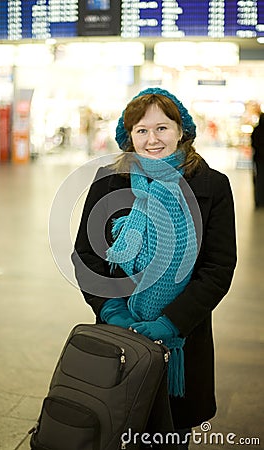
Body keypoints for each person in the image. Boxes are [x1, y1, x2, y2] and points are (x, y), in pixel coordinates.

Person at [72, 87, 237, 449]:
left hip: (182, 338)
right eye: (141, 130)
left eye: (162, 128)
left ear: (182, 131)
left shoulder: (211, 186)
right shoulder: (108, 181)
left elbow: (218, 267)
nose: (152, 139)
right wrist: (110, 309)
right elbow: (86, 255)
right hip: (118, 335)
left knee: (169, 434)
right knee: (115, 425)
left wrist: (171, 321)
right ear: (128, 137)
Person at [251, 112, 264, 207]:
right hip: (260, 158)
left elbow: (253, 144)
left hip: (258, 158)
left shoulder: (256, 130)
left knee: (259, 179)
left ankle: (258, 200)